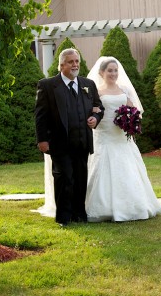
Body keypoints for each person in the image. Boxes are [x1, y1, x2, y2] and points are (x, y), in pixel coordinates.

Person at [85, 56, 161, 222]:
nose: (113, 73)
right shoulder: (97, 92)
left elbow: (134, 110)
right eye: (110, 71)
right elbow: (93, 112)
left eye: (115, 70)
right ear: (101, 73)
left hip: (121, 137)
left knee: (128, 168)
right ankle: (103, 208)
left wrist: (131, 120)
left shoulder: (124, 90)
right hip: (104, 135)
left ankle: (134, 205)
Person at [35, 48, 104, 227]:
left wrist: (95, 118)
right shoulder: (48, 85)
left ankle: (79, 214)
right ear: (61, 65)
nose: (75, 65)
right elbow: (40, 116)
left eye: (77, 61)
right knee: (64, 178)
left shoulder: (88, 84)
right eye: (71, 62)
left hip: (82, 141)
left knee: (81, 179)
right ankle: (64, 217)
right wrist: (42, 140)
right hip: (59, 143)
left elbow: (99, 106)